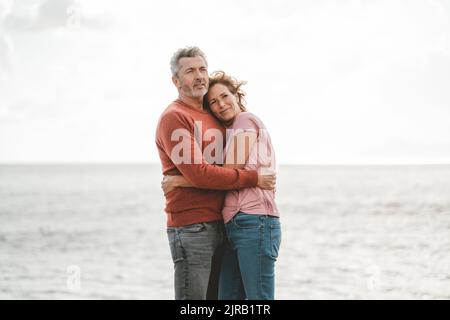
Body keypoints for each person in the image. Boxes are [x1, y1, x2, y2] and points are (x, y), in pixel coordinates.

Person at [155, 47, 276, 300]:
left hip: (224, 224)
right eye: (190, 71)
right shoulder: (174, 117)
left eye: (202, 69)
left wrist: (181, 180)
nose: (199, 76)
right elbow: (204, 173)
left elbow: (215, 171)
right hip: (192, 227)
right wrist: (252, 178)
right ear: (176, 81)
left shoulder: (223, 119)